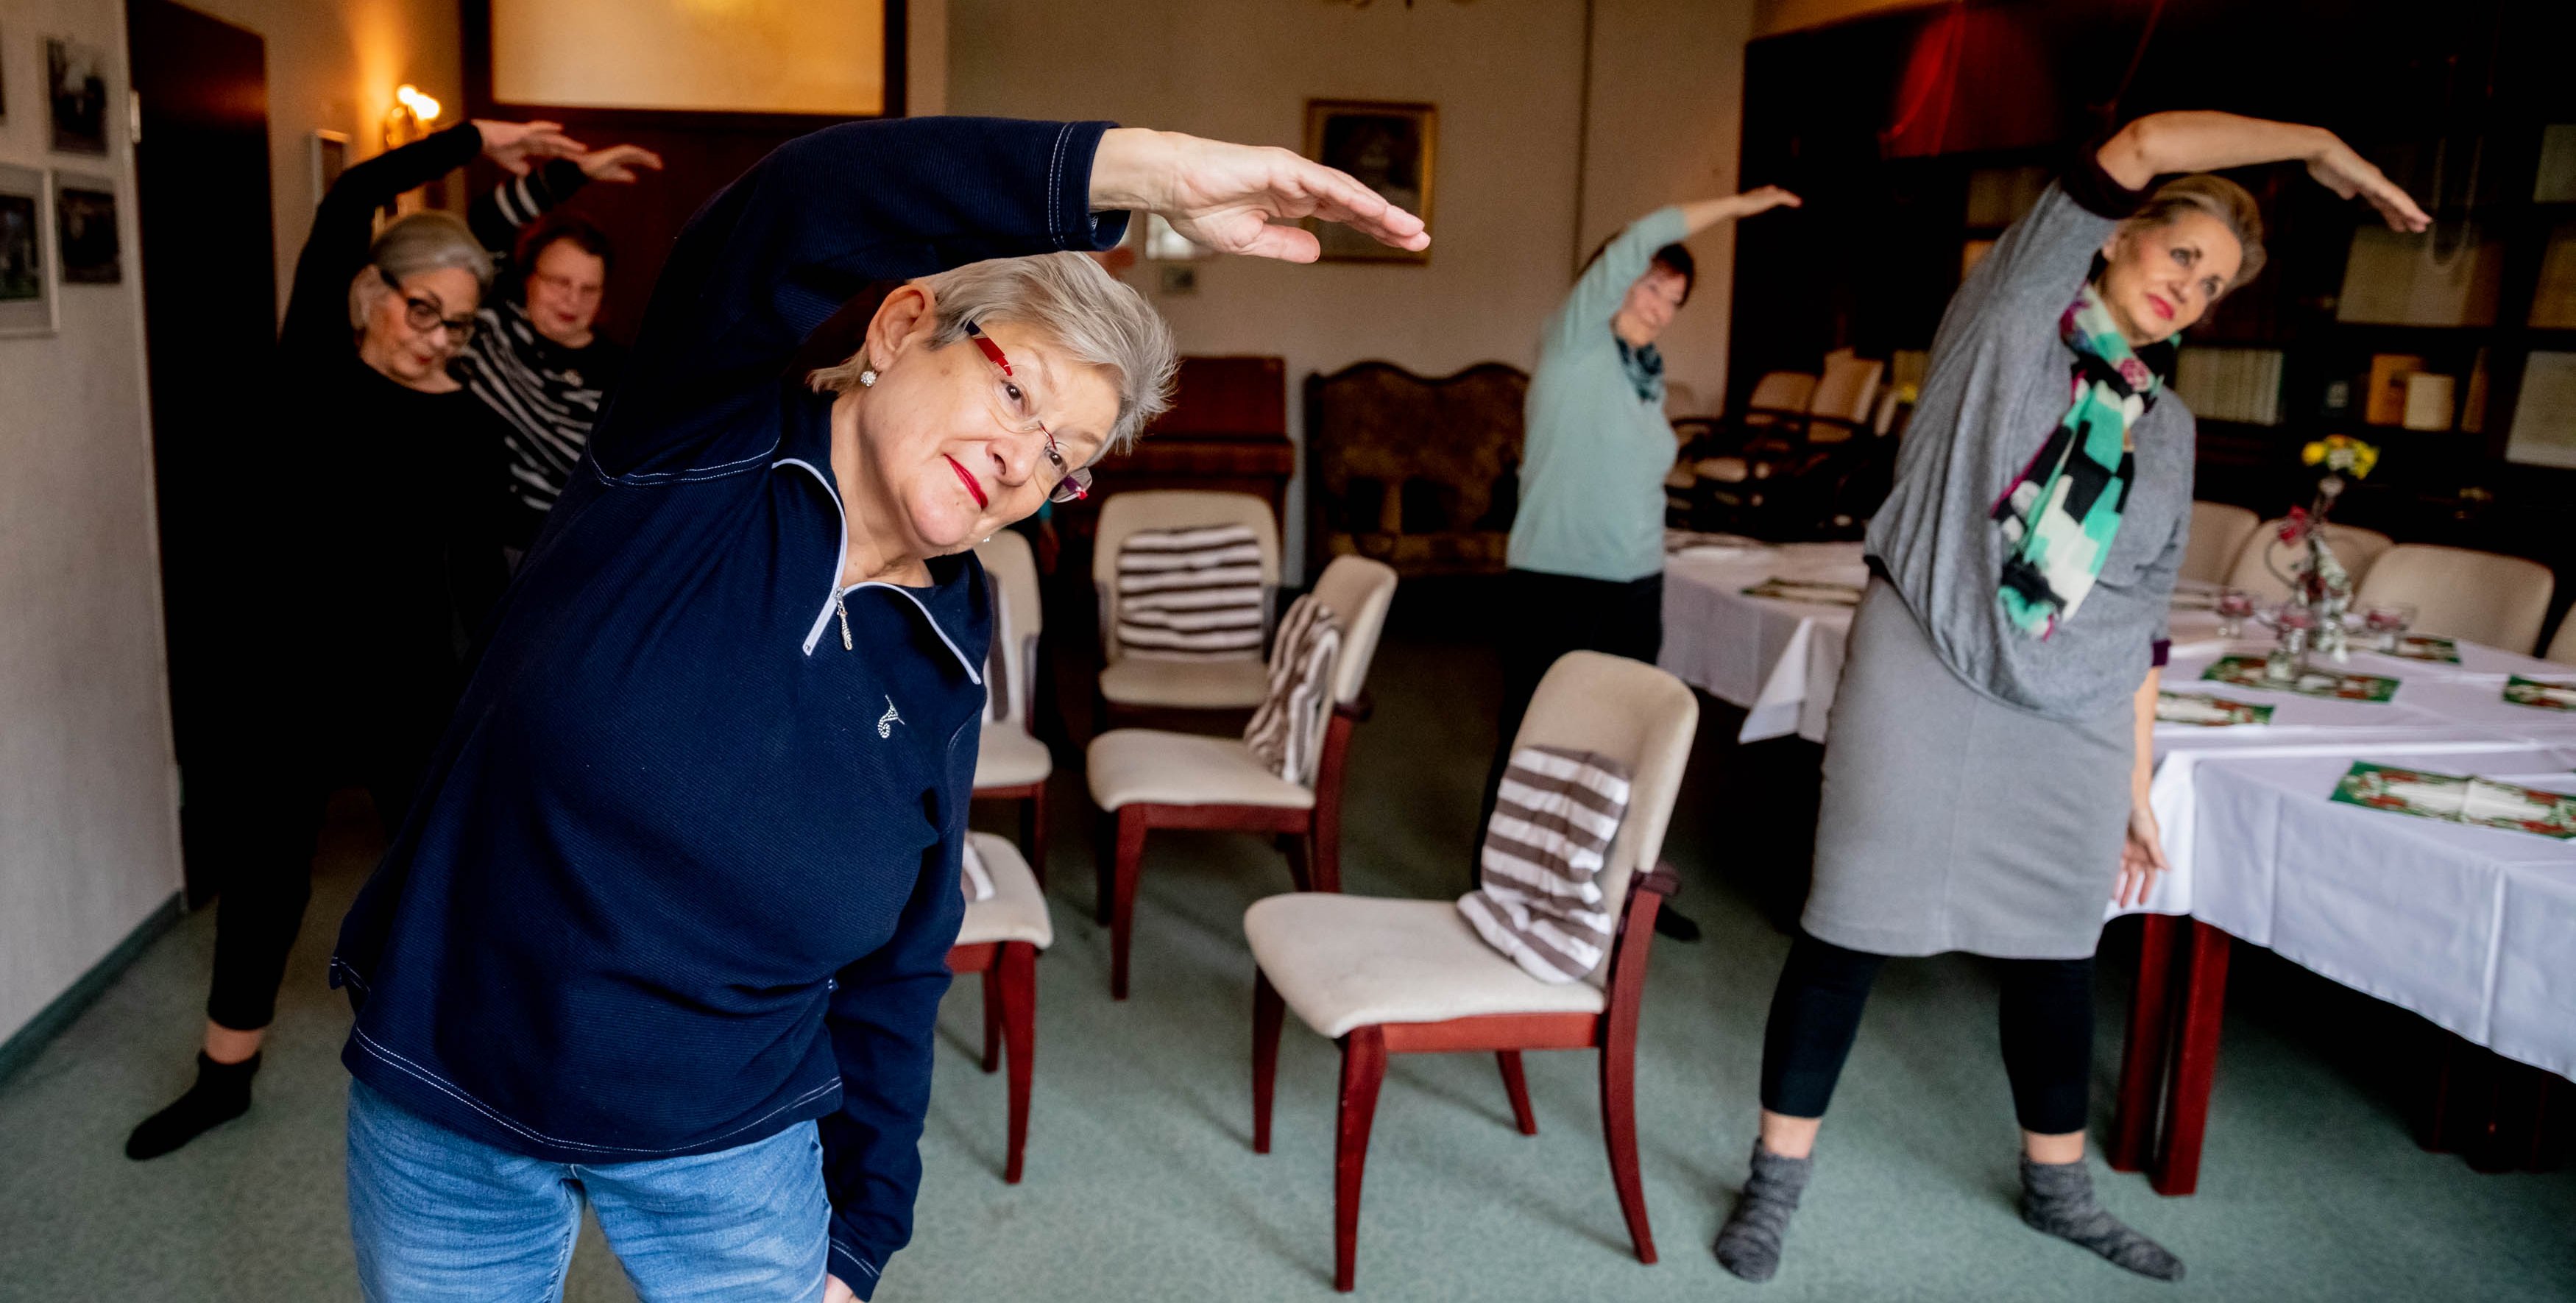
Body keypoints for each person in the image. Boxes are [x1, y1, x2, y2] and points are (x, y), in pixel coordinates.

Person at [326, 117, 1426, 1302]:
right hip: (459, 1090)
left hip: (734, 1138)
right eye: (1018, 394)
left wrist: (862, 1236)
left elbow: (905, 963)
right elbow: (792, 208)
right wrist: (1139, 178)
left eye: (1063, 458)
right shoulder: (691, 448)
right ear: (903, 330)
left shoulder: (949, 657)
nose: (1023, 461)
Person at [1708, 111, 2429, 1284]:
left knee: (2054, 951)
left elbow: (2140, 616)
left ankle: (2061, 1189)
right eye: (2180, 257)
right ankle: (1775, 1181)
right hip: (1927, 663)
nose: (2190, 290)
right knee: (1847, 929)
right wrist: (2317, 149)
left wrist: (2135, 776)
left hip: (2077, 709)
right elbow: (2139, 141)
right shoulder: (2006, 326)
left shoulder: (2172, 426)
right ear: (2113, 243)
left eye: (2216, 287)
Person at [124, 118, 578, 1162]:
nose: (438, 337)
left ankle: (474, 1074)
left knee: (453, 882)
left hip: (415, 691)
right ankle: (223, 1076)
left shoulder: (468, 425)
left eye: (460, 325)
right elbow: (341, 205)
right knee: (267, 880)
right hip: (290, 681)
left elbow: (479, 575)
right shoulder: (315, 374)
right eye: (426, 311)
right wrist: (471, 140)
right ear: (377, 294)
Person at [1477, 186, 1800, 940]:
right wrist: (1742, 204)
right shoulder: (1573, 343)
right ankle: (1499, 880)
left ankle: (1621, 890)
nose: (1659, 304)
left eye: (1674, 297)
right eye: (1650, 284)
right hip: (1554, 579)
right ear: (1613, 278)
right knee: (1531, 733)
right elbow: (1642, 233)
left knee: (1627, 742)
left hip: (1632, 585)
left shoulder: (1641, 374)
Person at [456, 142, 665, 546]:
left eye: (590, 289)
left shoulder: (621, 374)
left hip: (553, 551)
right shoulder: (491, 319)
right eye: (560, 282)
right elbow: (484, 222)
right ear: (528, 276)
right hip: (462, 538)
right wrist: (575, 173)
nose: (573, 301)